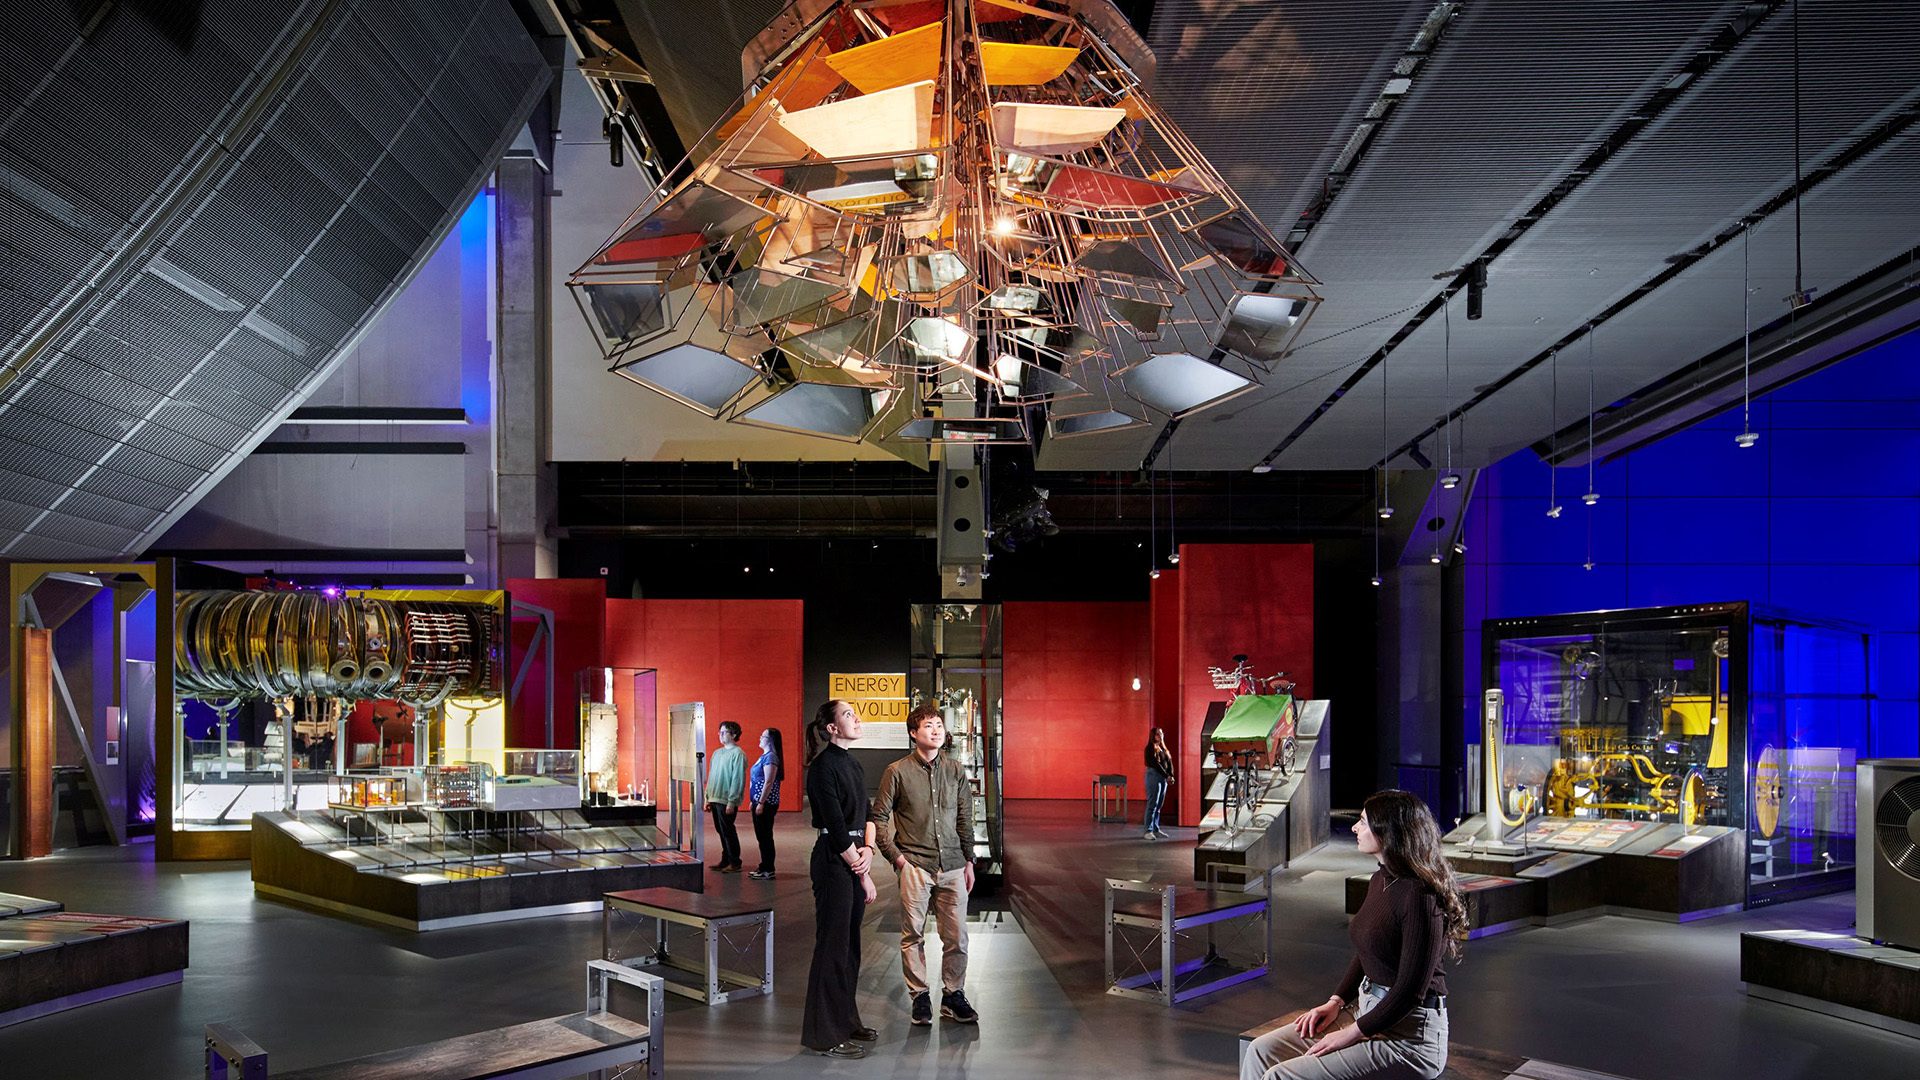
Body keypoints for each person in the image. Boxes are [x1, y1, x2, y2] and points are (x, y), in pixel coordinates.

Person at [1240, 790, 1469, 1080]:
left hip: (1410, 1039)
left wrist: (1350, 1034)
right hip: (1367, 1012)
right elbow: (1367, 951)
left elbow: (1411, 992)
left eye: (1363, 821)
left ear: (1388, 832)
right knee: (1261, 1050)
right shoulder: (1380, 879)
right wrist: (1336, 1002)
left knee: (1282, 1076)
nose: (1354, 828)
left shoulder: (1420, 896)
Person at [870, 701, 978, 1027]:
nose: (936, 730)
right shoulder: (897, 771)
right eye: (928, 726)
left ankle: (953, 995)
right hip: (915, 864)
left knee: (957, 936)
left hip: (954, 864)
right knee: (912, 934)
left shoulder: (956, 770)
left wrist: (970, 859)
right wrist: (898, 859)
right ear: (913, 733)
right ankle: (919, 996)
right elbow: (878, 818)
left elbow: (964, 818)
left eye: (939, 725)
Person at [802, 700, 879, 1059]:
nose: (856, 718)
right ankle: (823, 1034)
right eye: (848, 715)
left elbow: (866, 812)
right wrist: (859, 865)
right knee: (831, 947)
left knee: (849, 947)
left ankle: (847, 1021)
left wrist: (869, 850)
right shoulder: (822, 768)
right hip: (834, 861)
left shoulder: (853, 763)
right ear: (832, 728)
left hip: (853, 855)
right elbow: (834, 825)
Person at [705, 721, 746, 873]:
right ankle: (726, 859)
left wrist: (732, 801)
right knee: (721, 830)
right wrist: (707, 797)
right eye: (720, 732)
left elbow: (737, 779)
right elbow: (712, 776)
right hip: (715, 798)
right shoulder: (717, 753)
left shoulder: (738, 754)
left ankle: (735, 862)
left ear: (734, 734)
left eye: (724, 732)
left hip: (726, 799)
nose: (720, 735)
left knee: (728, 830)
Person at [748, 727, 784, 879]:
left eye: (762, 736)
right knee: (762, 836)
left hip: (767, 803)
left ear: (770, 740)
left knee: (765, 836)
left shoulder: (771, 758)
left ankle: (768, 869)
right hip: (759, 802)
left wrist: (761, 802)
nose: (760, 738)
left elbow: (768, 781)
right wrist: (754, 801)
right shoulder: (765, 757)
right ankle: (764, 867)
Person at [1143, 727, 1175, 840]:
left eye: (1161, 733)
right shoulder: (1150, 748)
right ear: (1153, 736)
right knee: (1153, 803)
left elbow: (1169, 762)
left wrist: (1171, 775)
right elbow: (1155, 764)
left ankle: (1156, 829)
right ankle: (1148, 830)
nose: (1160, 736)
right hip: (1153, 776)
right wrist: (1167, 775)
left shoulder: (1163, 748)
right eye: (1158, 734)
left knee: (1159, 805)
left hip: (1163, 778)